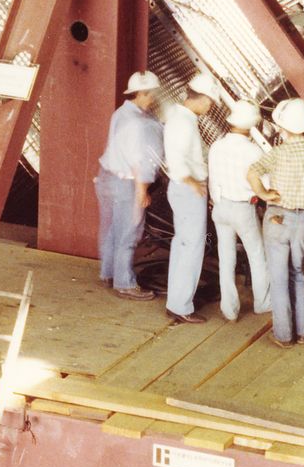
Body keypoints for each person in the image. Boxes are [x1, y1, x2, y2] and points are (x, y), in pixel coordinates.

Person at [249, 97, 304, 346]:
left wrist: (263, 194)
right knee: (297, 273)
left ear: (283, 127)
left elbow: (251, 172)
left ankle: (284, 335)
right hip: (303, 222)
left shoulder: (278, 153)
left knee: (278, 278)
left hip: (277, 218)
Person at [97, 71, 165, 301]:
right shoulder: (138, 123)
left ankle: (109, 273)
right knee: (130, 231)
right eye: (151, 94)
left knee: (113, 229)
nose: (153, 99)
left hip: (108, 177)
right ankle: (124, 283)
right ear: (143, 93)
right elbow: (138, 160)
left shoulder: (121, 113)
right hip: (128, 182)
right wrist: (142, 191)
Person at [161, 73, 220, 325]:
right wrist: (193, 182)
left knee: (184, 245)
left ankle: (176, 301)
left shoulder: (180, 117)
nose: (210, 108)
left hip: (183, 189)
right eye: (210, 102)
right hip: (188, 190)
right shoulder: (183, 123)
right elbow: (176, 159)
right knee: (192, 247)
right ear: (203, 98)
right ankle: (181, 306)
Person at [208, 99, 270, 323]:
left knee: (226, 259)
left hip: (220, 207)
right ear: (252, 125)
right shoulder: (253, 151)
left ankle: (230, 309)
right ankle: (262, 303)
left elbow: (212, 179)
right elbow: (265, 184)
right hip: (243, 208)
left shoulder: (217, 146)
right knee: (257, 255)